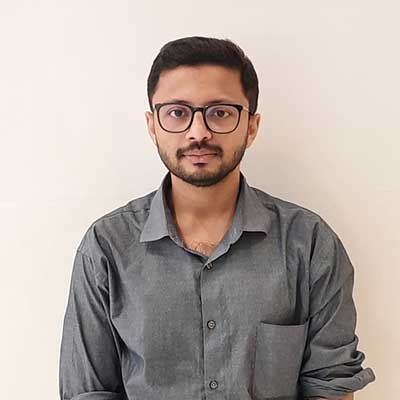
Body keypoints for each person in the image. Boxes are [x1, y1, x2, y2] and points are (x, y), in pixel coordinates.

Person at [58, 36, 376, 400]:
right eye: (177, 112)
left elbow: (331, 386)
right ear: (152, 125)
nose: (198, 132)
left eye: (220, 112)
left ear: (251, 126)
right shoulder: (106, 248)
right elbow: (88, 391)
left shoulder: (309, 244)